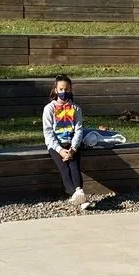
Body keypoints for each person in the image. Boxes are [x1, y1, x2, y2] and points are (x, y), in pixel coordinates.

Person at [42, 75, 91, 208]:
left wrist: (73, 148)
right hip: (56, 145)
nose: (64, 92)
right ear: (56, 90)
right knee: (64, 168)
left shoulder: (76, 109)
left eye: (67, 89)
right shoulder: (49, 109)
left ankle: (79, 195)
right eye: (61, 89)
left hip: (72, 143)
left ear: (71, 90)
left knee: (74, 165)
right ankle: (78, 194)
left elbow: (79, 129)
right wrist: (60, 150)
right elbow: (48, 132)